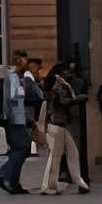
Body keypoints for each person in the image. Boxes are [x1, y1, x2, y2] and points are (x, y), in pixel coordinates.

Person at [36, 49, 91, 194]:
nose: (69, 74)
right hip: (57, 125)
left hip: (61, 125)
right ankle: (48, 185)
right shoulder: (57, 85)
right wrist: (77, 99)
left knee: (70, 154)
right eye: (66, 71)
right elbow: (62, 102)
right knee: (56, 156)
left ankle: (78, 182)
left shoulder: (55, 84)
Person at [0, 53, 42, 195]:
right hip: (14, 120)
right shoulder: (13, 77)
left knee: (19, 149)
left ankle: (13, 182)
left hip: (14, 119)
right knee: (23, 147)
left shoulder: (13, 77)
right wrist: (23, 87)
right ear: (18, 62)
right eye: (24, 62)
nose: (27, 64)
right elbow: (14, 97)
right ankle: (3, 174)